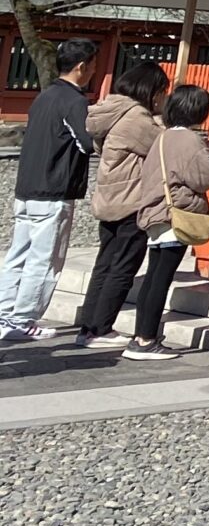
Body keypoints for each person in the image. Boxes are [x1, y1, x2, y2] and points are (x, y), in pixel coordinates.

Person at [0, 37, 102, 342]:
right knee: (44, 260)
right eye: (93, 65)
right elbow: (86, 143)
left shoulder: (43, 96)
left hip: (27, 188)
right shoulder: (74, 101)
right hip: (53, 190)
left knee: (18, 255)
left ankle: (5, 314)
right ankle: (23, 318)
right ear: (83, 66)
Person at [119, 83, 209, 363]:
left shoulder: (163, 137)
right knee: (160, 280)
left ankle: (141, 335)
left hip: (155, 212)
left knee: (154, 277)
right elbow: (205, 177)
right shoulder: (189, 141)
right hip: (175, 214)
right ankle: (146, 339)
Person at [69, 62, 171, 350]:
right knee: (123, 267)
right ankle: (101, 327)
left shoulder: (110, 110)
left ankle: (88, 328)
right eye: (162, 91)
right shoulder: (136, 117)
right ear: (151, 91)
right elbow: (163, 147)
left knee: (105, 264)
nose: (163, 97)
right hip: (130, 200)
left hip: (109, 197)